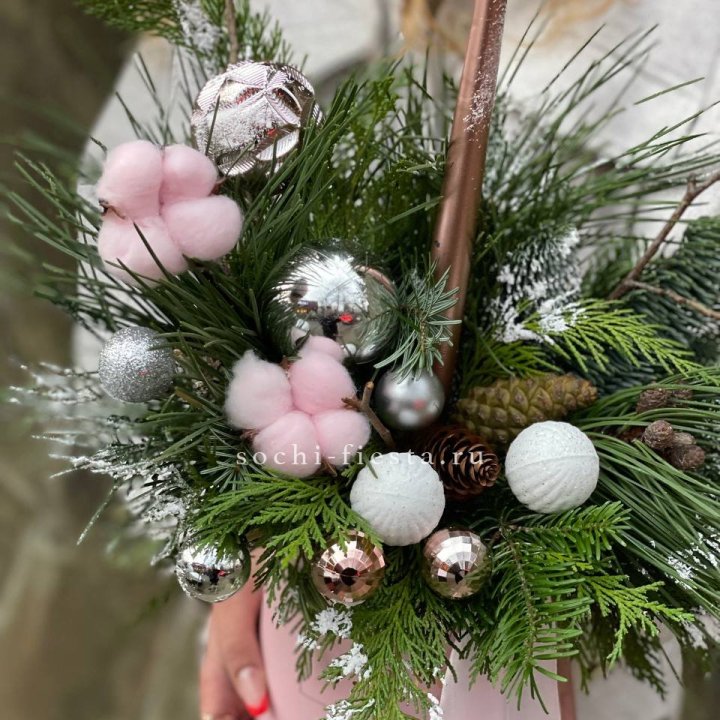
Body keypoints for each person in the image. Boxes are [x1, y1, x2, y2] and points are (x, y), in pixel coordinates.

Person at [73, 1, 719, 718]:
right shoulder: (235, 19)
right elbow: (127, 302)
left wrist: (607, 564)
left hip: (566, 643)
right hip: (297, 618)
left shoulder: (687, 35)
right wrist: (232, 533)